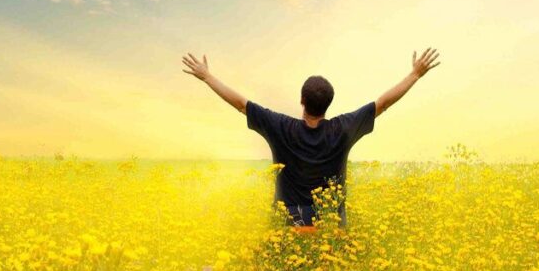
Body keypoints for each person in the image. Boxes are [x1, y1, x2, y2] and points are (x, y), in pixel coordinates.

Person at [181, 48, 441, 228]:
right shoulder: (344, 128)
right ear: (328, 104)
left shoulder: (280, 126)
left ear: (302, 101)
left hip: (288, 222)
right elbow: (383, 103)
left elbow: (240, 103)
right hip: (330, 224)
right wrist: (415, 74)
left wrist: (206, 76)